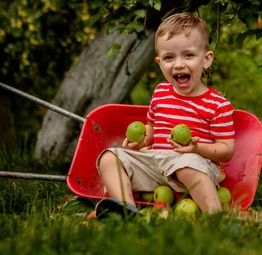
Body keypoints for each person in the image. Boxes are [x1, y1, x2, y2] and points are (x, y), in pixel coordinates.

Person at [94, 12, 235, 218]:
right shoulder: (160, 93)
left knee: (186, 164)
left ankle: (215, 216)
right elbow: (153, 127)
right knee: (109, 157)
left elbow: (227, 150)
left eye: (188, 55)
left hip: (195, 165)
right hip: (156, 163)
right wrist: (142, 140)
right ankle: (125, 208)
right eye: (169, 57)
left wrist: (196, 148)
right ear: (159, 63)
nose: (178, 64)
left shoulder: (217, 104)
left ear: (206, 60)